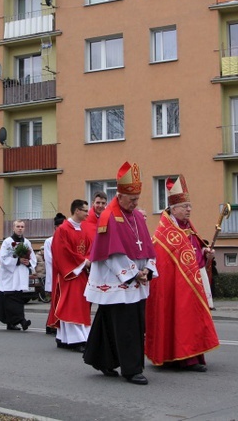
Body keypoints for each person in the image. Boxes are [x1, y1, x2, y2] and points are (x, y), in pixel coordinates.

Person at [83, 162, 158, 385]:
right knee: (126, 326)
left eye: (137, 199)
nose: (135, 203)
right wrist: (134, 273)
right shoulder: (108, 216)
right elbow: (111, 253)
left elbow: (147, 247)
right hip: (116, 279)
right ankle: (131, 369)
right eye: (132, 199)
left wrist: (148, 269)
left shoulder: (135, 216)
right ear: (120, 194)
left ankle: (102, 358)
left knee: (109, 321)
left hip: (136, 277)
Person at [145, 176, 219, 372]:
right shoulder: (164, 234)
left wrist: (205, 253)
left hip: (189, 285)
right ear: (174, 208)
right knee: (176, 318)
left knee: (190, 320)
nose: (189, 210)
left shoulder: (187, 228)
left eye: (190, 206)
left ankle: (191, 356)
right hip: (175, 288)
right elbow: (164, 263)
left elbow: (195, 253)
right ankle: (177, 357)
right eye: (185, 206)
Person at [47, 200, 92, 353]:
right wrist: (82, 262)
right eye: (85, 210)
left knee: (79, 305)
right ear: (77, 211)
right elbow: (61, 252)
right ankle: (77, 339)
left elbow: (89, 247)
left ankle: (64, 338)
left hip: (81, 273)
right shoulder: (63, 229)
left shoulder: (84, 229)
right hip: (70, 274)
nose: (88, 213)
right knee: (72, 306)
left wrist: (87, 260)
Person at [0, 220, 36, 331]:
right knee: (12, 298)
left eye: (22, 226)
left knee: (16, 297)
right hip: (10, 274)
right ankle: (21, 321)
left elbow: (32, 257)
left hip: (21, 274)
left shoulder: (27, 242)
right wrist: (17, 260)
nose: (20, 228)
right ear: (13, 228)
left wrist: (28, 263)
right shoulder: (7, 242)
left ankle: (12, 322)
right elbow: (2, 258)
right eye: (18, 226)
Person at [43, 213, 67, 335]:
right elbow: (50, 259)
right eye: (59, 226)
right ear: (55, 228)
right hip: (55, 274)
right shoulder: (49, 241)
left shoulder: (67, 238)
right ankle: (50, 325)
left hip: (66, 274)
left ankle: (57, 323)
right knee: (55, 301)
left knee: (61, 301)